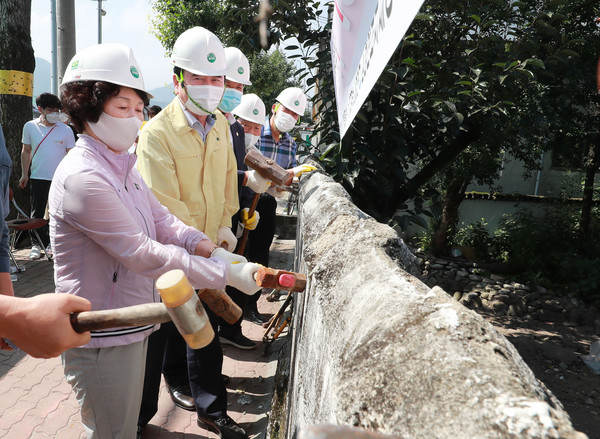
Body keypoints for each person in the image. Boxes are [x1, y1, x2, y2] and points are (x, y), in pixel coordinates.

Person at [52, 42, 260, 439]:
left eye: (137, 108)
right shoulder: (84, 177)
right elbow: (143, 252)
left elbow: (164, 222)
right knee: (111, 430)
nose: (133, 118)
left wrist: (208, 247)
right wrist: (221, 272)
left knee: (125, 424)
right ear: (87, 108)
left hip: (133, 320)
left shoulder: (122, 165)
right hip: (101, 332)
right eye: (121, 107)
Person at [136, 27, 248, 439]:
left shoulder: (218, 124)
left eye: (216, 79)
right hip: (172, 253)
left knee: (205, 332)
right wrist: (200, 250)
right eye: (199, 78)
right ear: (177, 80)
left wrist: (224, 226)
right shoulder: (156, 134)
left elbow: (224, 183)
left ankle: (210, 408)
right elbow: (163, 205)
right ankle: (142, 413)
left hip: (209, 247)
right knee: (165, 330)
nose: (210, 87)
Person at [217, 50, 271, 350]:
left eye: (240, 87)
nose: (235, 91)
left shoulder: (234, 130)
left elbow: (230, 176)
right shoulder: (215, 125)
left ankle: (230, 328)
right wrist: (246, 180)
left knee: (234, 275)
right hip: (206, 224)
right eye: (230, 84)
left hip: (233, 216)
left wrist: (242, 212)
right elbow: (216, 174)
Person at [248, 88, 315, 320]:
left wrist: (292, 176)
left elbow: (285, 179)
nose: (291, 117)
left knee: (260, 255)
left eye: (296, 115)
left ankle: (251, 307)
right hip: (244, 200)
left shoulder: (290, 144)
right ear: (275, 108)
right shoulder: (255, 132)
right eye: (287, 110)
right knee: (240, 254)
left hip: (267, 204)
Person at [20, 92, 75, 260]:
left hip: (60, 178)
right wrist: (24, 174)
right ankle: (37, 244)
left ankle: (54, 243)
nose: (55, 114)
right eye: (51, 110)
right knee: (36, 213)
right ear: (41, 109)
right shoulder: (30, 126)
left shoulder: (65, 130)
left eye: (57, 110)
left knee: (57, 212)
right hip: (38, 176)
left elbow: (71, 154)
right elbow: (26, 151)